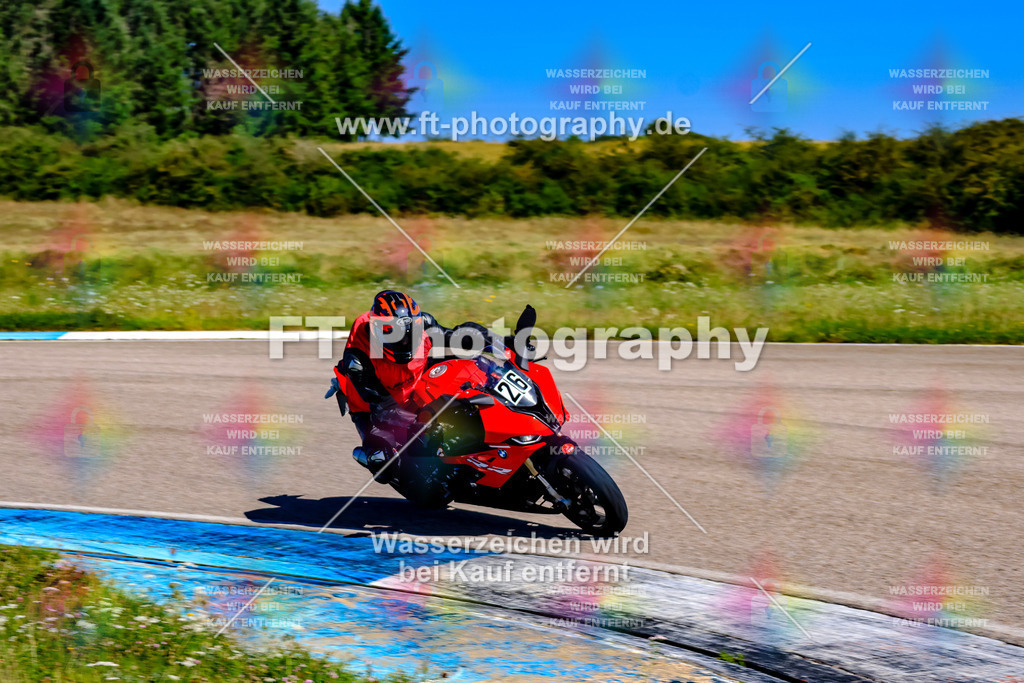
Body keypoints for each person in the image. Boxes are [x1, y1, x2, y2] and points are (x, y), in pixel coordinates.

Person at [332, 290, 487, 474]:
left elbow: (461, 336)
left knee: (476, 368)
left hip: (413, 380)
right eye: (396, 337)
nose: (405, 342)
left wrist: (505, 341)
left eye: (410, 335)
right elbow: (383, 410)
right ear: (377, 333)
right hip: (375, 408)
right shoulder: (357, 359)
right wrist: (429, 421)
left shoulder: (424, 324)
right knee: (382, 461)